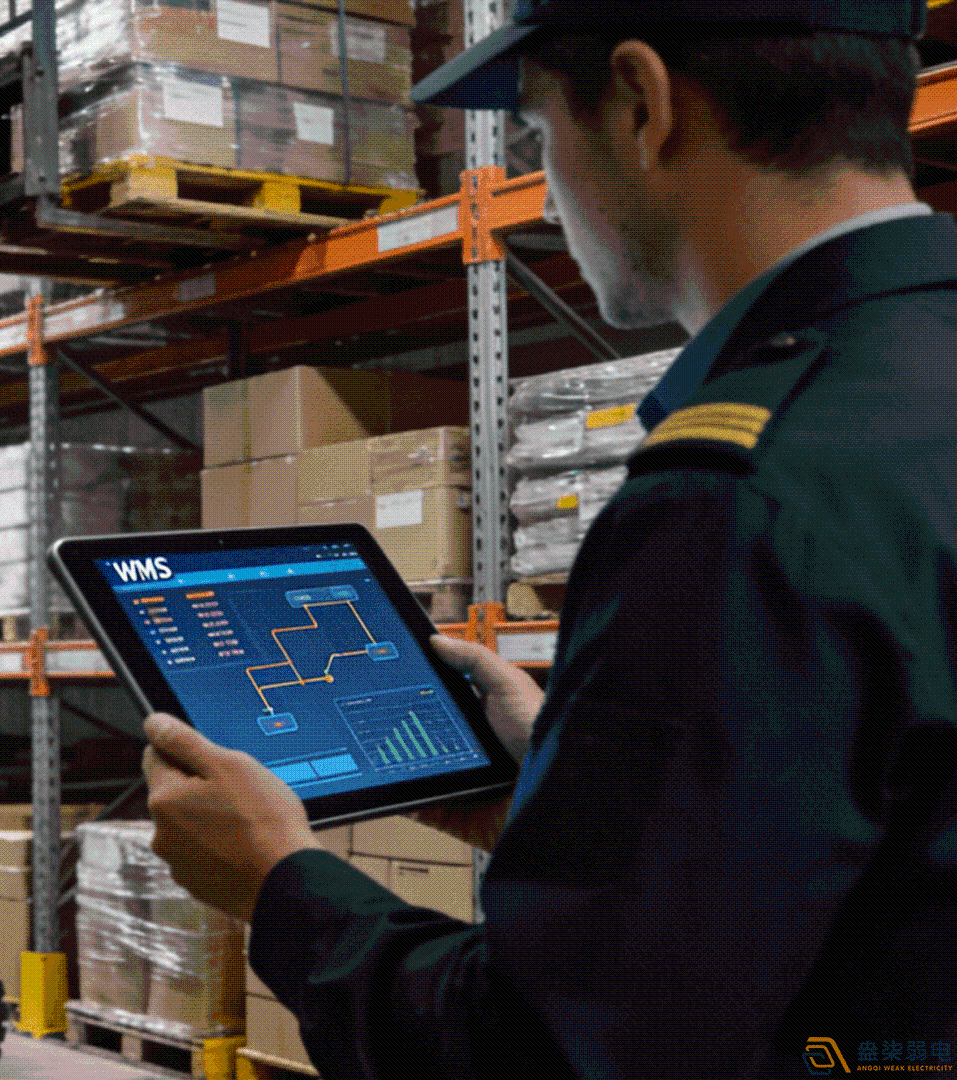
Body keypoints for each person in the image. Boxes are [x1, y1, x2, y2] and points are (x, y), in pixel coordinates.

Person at [139, 2, 957, 1076]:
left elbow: (548, 1051)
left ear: (641, 103)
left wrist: (281, 884)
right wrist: (576, 797)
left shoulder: (738, 494)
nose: (548, 179)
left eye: (536, 130)